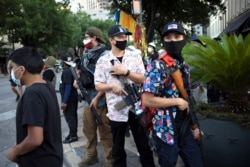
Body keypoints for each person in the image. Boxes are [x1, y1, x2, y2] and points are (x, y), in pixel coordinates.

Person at [141, 22, 203, 167]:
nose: (173, 40)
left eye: (177, 36)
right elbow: (147, 100)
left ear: (184, 39)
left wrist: (195, 125)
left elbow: (187, 96)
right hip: (165, 128)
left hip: (185, 126)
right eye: (168, 38)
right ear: (163, 41)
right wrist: (176, 102)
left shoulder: (184, 65)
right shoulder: (156, 65)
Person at [94, 25, 155, 167]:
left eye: (125, 37)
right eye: (120, 37)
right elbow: (98, 85)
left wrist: (126, 72)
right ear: (111, 40)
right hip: (116, 110)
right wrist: (112, 86)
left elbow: (144, 79)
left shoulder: (134, 56)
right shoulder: (103, 61)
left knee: (144, 146)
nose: (124, 39)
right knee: (118, 150)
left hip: (137, 107)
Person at [6, 47, 63, 167]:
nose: (11, 72)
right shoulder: (46, 86)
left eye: (13, 68)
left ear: (21, 70)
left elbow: (35, 139)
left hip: (39, 161)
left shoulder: (33, 94)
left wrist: (15, 152)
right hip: (52, 157)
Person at [74, 27, 113, 167]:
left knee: (105, 131)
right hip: (86, 99)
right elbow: (82, 73)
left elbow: (109, 79)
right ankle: (91, 156)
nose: (84, 40)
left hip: (102, 99)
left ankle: (110, 160)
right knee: (88, 130)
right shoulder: (86, 55)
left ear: (94, 37)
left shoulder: (106, 54)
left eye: (86, 37)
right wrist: (78, 80)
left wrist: (98, 96)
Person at [59, 54, 79, 143]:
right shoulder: (71, 69)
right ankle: (72, 133)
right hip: (73, 97)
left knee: (70, 117)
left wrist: (64, 101)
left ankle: (73, 135)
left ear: (63, 61)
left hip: (69, 99)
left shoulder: (66, 71)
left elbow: (68, 87)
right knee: (73, 116)